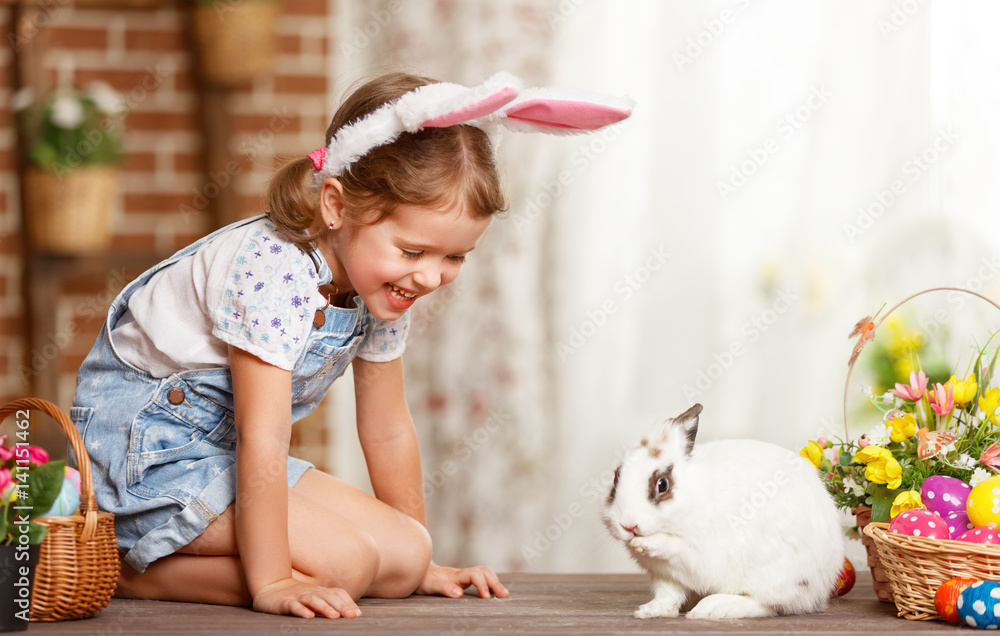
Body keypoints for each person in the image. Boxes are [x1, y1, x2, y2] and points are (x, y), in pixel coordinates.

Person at [71, 71, 632, 619]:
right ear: (336, 206)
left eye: (454, 257)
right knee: (345, 564)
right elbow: (261, 436)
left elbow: (387, 429)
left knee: (403, 557)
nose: (431, 277)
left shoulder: (381, 285)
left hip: (219, 456)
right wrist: (272, 581)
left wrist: (422, 566)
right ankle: (134, 572)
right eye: (414, 252)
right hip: (143, 457)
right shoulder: (273, 271)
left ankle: (352, 562)